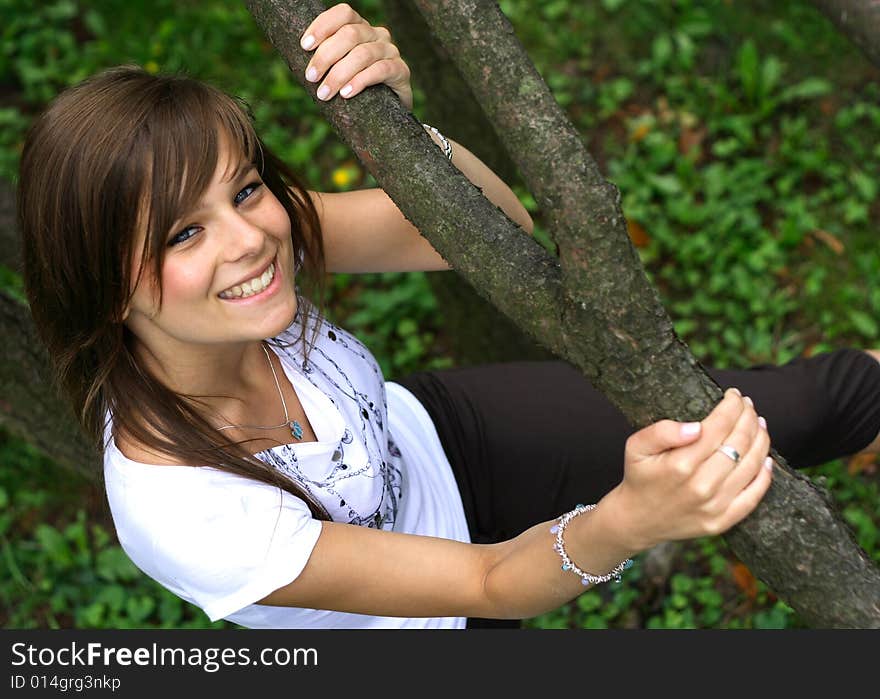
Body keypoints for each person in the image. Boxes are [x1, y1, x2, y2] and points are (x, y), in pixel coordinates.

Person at [17, 4, 880, 630]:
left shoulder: (250, 252)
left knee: (787, 409)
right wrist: (630, 521)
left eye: (245, 187)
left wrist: (395, 118)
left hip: (444, 439)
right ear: (102, 284)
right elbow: (488, 583)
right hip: (436, 625)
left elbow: (497, 226)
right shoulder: (180, 506)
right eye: (183, 232)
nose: (251, 237)